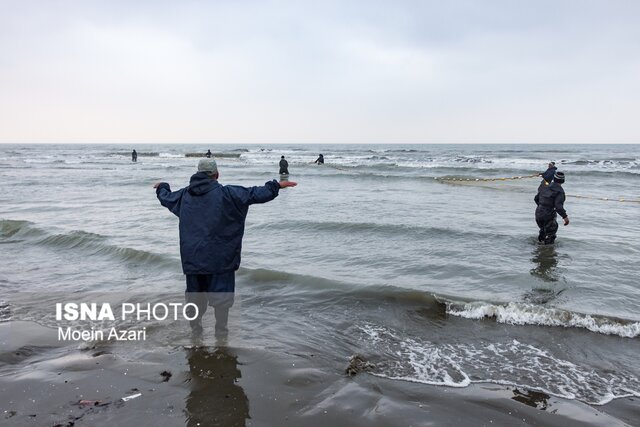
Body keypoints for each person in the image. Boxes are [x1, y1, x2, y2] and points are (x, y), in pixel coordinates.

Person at [154, 158, 297, 336]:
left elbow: (166, 198)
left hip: (193, 260)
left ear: (197, 174)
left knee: (194, 299)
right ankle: (221, 335)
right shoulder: (229, 194)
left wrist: (162, 186)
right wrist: (276, 186)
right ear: (217, 175)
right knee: (221, 300)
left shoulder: (184, 196)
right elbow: (255, 194)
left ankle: (196, 334)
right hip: (221, 260)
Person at [534, 171, 569, 245]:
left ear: (554, 178)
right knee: (551, 234)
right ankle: (547, 252)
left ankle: (539, 246)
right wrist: (565, 217)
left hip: (538, 212)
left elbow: (536, 198)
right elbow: (558, 206)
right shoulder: (560, 192)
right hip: (548, 214)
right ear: (563, 181)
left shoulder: (545, 187)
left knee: (543, 230)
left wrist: (541, 207)